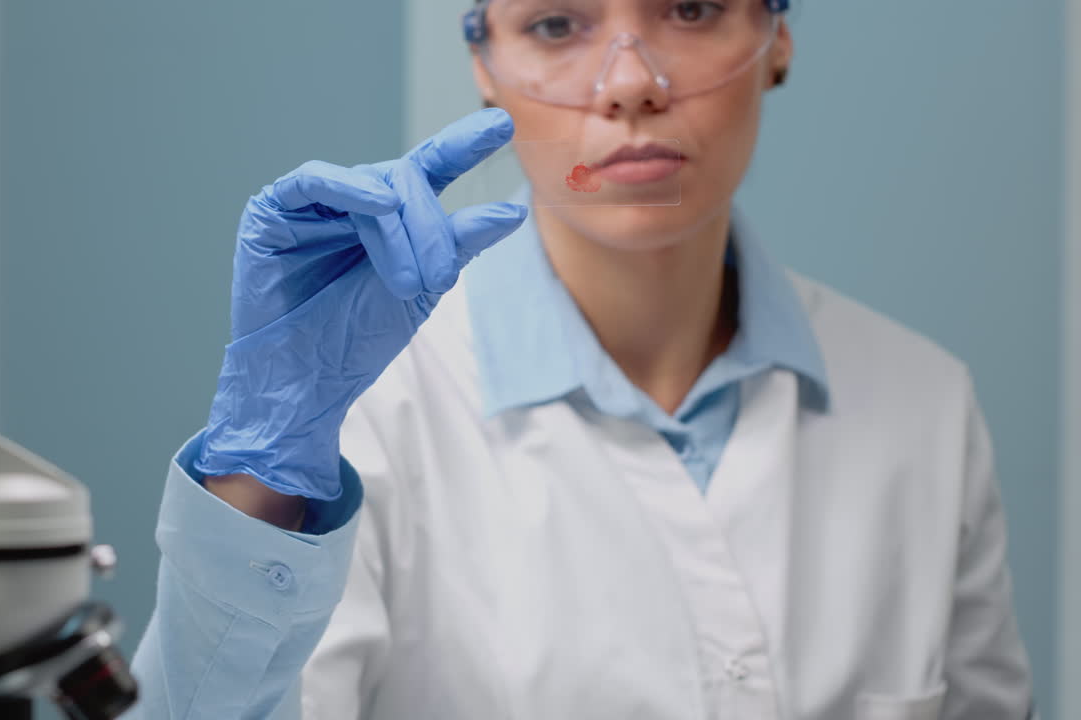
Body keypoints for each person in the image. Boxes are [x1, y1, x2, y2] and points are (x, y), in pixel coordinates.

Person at [128, 1, 1034, 718]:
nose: (631, 82)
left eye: (692, 7)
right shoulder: (373, 414)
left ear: (779, 36)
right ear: (485, 65)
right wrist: (260, 481)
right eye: (558, 24)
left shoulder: (926, 403)